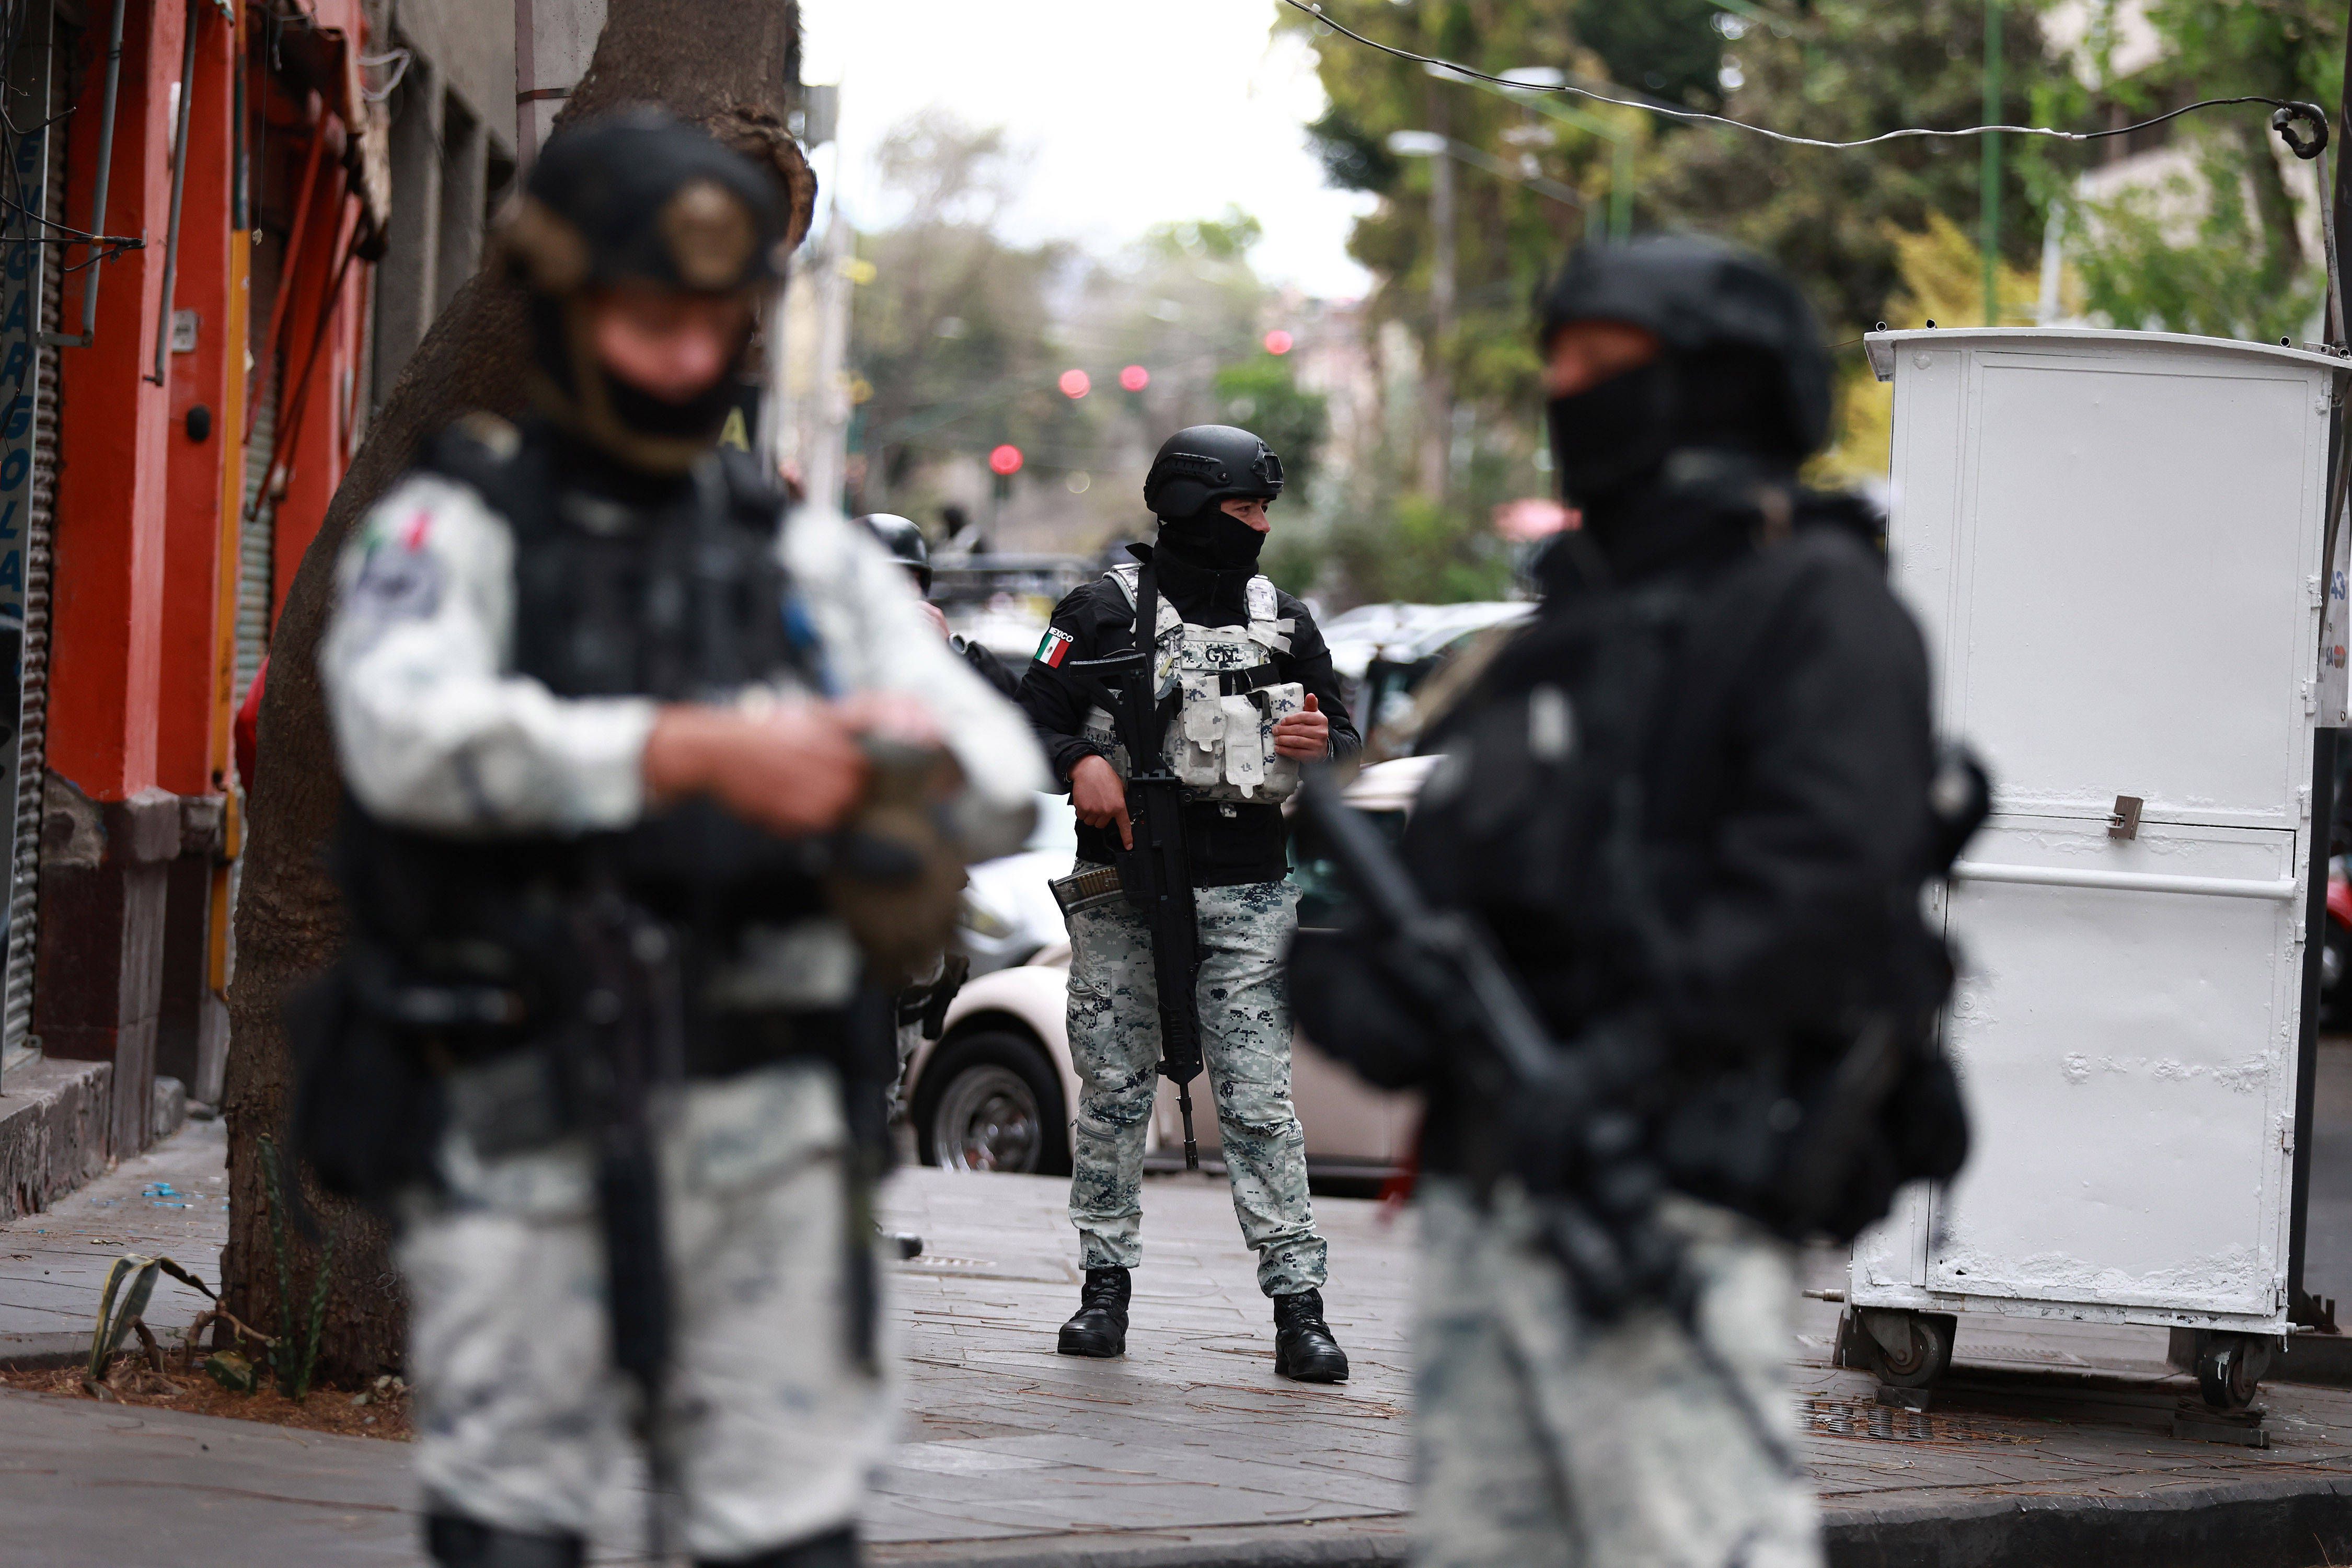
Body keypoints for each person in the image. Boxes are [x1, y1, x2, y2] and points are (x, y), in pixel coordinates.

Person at [313, 110, 1043, 1568]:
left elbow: (998, 774)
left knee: (783, 1528)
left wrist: (862, 762)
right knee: (515, 1520)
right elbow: (403, 737)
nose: (681, 358)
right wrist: (682, 750)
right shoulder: (451, 533)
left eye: (711, 322)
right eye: (649, 320)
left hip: (764, 1123)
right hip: (524, 1107)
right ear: (567, 310)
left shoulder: (795, 553)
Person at [1293, 235, 1965, 1567]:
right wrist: (1369, 991)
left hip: (1671, 1198)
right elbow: (1440, 886)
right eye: (1557, 361)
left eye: (1604, 363)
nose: (1566, 390)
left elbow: (1817, 888)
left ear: (1716, 383)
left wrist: (1620, 1061)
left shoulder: (1813, 608)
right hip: (1492, 1198)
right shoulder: (1554, 641)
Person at [1017, 424, 1359, 1381]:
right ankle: (1103, 1287)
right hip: (1123, 883)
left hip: (1249, 888)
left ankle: (1299, 1307)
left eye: (1264, 510)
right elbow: (1024, 717)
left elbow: (1341, 734)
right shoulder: (1095, 611)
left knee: (1258, 1099)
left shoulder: (1286, 620)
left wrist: (1320, 743)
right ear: (1189, 509)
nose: (1259, 527)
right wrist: (1078, 761)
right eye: (1243, 509)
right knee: (1114, 1089)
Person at [858, 512, 1020, 698]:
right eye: (891, 578)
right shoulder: (836, 654)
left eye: (912, 579)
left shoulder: (928, 653)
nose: (906, 590)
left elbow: (1019, 703)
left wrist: (957, 651)